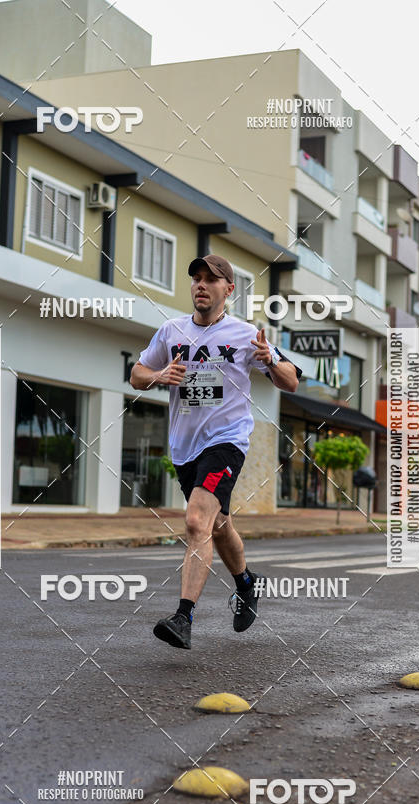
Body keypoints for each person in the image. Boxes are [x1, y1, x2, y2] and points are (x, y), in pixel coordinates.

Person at [130, 254, 300, 649]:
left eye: (211, 279)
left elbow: (290, 381)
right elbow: (136, 374)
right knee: (216, 524)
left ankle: (183, 617)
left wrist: (269, 360)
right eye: (196, 279)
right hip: (184, 448)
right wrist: (158, 376)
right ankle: (245, 582)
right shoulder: (171, 331)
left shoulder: (245, 335)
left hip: (226, 441)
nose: (201, 285)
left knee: (195, 521)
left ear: (229, 289)